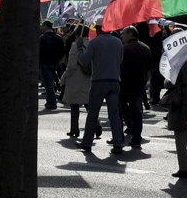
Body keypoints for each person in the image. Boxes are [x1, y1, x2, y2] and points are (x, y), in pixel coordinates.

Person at [78, 26, 125, 154]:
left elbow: (84, 61)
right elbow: (120, 60)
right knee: (114, 115)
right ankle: (118, 143)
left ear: (98, 30)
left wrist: (79, 47)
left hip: (98, 81)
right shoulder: (118, 42)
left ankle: (87, 143)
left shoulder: (95, 42)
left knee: (93, 114)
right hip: (114, 81)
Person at [119, 26, 151, 147]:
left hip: (126, 85)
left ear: (130, 34)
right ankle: (136, 138)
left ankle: (124, 133)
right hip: (139, 85)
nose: (121, 35)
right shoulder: (146, 48)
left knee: (120, 109)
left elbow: (121, 67)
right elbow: (149, 69)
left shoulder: (125, 48)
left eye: (123, 33)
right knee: (137, 112)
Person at [61, 24, 93, 139]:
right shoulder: (92, 44)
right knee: (89, 104)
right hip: (88, 77)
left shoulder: (75, 45)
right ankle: (96, 126)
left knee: (74, 105)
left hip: (75, 77)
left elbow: (71, 65)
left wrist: (64, 76)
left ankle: (74, 129)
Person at [38, 21, 65, 110]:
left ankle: (52, 102)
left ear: (46, 26)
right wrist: (57, 59)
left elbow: (39, 52)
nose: (41, 28)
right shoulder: (58, 37)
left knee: (48, 84)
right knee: (50, 81)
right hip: (55, 63)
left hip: (45, 63)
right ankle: (50, 99)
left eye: (42, 26)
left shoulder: (43, 38)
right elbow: (63, 50)